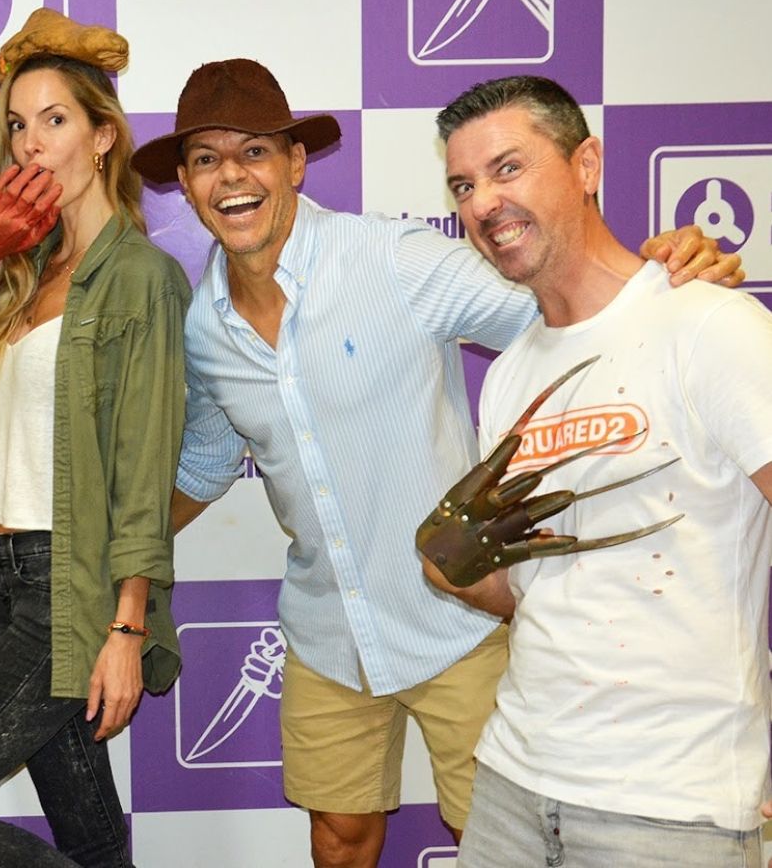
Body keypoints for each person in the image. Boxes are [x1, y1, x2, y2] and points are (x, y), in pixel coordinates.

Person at [130, 59, 744, 868]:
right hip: (327, 635)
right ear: (184, 183)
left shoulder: (394, 260)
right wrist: (109, 552)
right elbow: (207, 464)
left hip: (461, 619)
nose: (232, 177)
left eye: (254, 152)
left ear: (295, 163)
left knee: (492, 840)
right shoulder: (204, 330)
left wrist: (669, 275)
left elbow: (566, 309)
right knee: (338, 840)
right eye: (207, 159)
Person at [425, 75, 772, 867]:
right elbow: (538, 593)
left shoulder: (709, 324)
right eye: (464, 185)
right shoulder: (510, 374)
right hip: (513, 779)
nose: (484, 203)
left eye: (508, 168)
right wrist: (459, 574)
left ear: (586, 165)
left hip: (669, 808)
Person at [0, 11, 190, 868]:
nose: (30, 142)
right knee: (91, 839)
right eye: (18, 124)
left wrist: (126, 629)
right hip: (9, 570)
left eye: (55, 119)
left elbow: (143, 472)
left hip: (73, 584)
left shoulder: (142, 277)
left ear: (103, 136)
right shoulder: (26, 272)